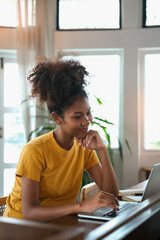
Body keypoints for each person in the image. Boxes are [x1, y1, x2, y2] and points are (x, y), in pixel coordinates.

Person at [4, 59, 119, 221]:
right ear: (57, 118)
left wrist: (102, 150)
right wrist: (80, 206)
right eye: (78, 116)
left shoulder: (83, 146)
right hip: (21, 227)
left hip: (59, 223)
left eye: (88, 113)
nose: (86, 121)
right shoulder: (35, 150)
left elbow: (111, 195)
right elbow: (30, 212)